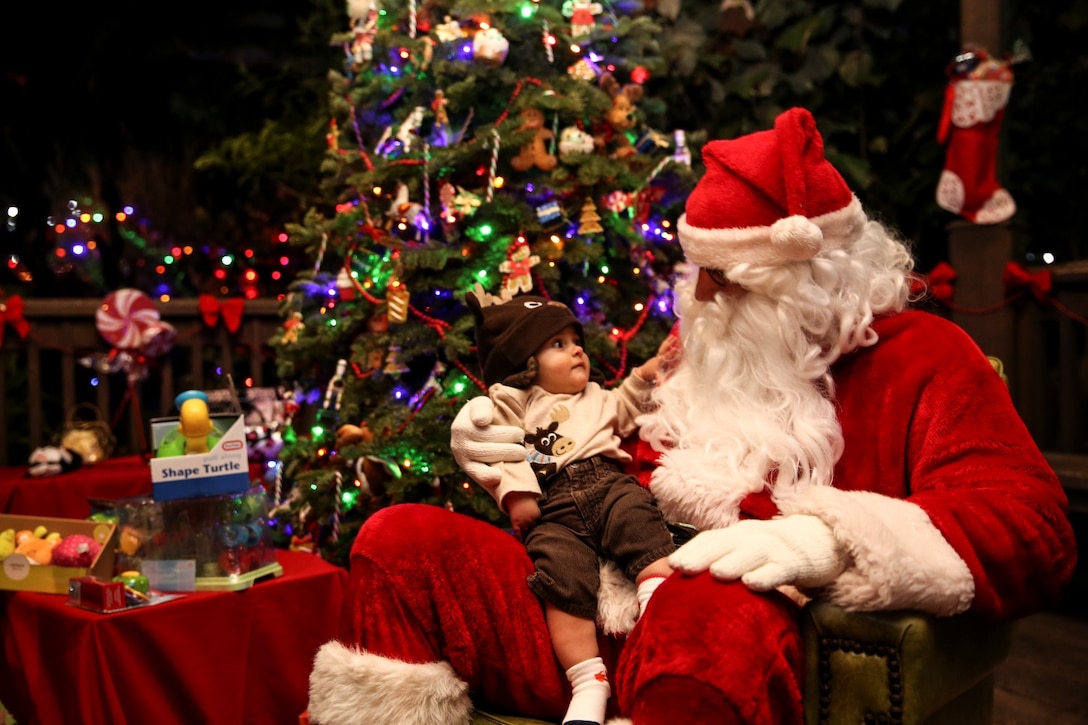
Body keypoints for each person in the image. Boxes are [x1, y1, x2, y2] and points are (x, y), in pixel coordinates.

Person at [306, 107, 1077, 725]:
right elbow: (596, 468)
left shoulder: (924, 358)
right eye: (697, 270)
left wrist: (828, 540)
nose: (700, 297)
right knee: (398, 542)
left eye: (723, 277)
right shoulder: (705, 348)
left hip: (736, 638)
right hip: (597, 613)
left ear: (811, 279)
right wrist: (510, 448)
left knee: (708, 604)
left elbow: (1034, 525)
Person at [464, 285, 676, 725]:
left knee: (636, 516)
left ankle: (658, 600)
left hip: (606, 484)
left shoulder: (596, 396)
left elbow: (627, 405)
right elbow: (500, 448)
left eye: (576, 341)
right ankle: (588, 681)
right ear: (525, 364)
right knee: (560, 578)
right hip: (552, 508)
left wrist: (645, 373)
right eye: (558, 344)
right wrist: (517, 494)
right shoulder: (512, 402)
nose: (577, 349)